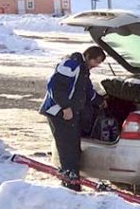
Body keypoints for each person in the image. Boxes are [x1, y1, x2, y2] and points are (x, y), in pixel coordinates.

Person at [38, 46, 105, 187]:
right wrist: (65, 106)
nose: (96, 65)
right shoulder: (71, 64)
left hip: (69, 113)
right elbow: (54, 86)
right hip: (58, 111)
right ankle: (69, 180)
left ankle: (72, 179)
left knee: (73, 146)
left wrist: (101, 101)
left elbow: (87, 91)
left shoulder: (84, 70)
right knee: (67, 147)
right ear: (88, 56)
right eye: (96, 61)